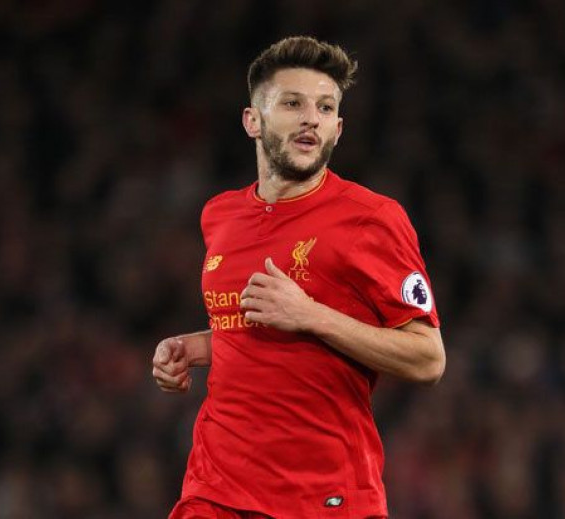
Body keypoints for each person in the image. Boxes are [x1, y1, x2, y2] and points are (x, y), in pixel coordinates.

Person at [152, 36, 446, 519]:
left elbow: (428, 359)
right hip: (215, 489)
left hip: (323, 497)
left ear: (338, 128)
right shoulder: (220, 216)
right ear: (253, 120)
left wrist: (311, 315)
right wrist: (194, 347)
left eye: (325, 108)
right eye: (293, 103)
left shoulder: (370, 219)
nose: (312, 117)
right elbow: (252, 332)